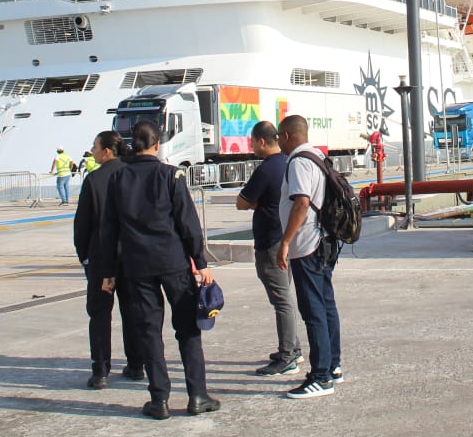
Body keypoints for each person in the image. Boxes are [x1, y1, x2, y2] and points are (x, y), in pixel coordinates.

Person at [97, 120, 220, 420]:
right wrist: (201, 263)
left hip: (137, 266)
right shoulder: (171, 175)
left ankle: (159, 399)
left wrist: (109, 270)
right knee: (187, 329)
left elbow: (109, 229)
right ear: (157, 144)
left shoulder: (118, 178)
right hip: (173, 263)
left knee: (149, 332)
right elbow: (188, 223)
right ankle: (197, 395)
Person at [276, 114, 343, 399]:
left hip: (307, 245)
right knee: (326, 305)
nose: (278, 141)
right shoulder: (318, 157)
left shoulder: (300, 162)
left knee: (313, 310)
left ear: (288, 136)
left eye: (279, 136)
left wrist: (285, 241)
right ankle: (333, 366)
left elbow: (301, 202)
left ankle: (320, 377)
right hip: (324, 241)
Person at [73, 130, 143, 389]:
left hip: (102, 258)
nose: (92, 150)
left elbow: (82, 224)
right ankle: (137, 365)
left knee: (100, 314)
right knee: (132, 311)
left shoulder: (94, 179)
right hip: (132, 256)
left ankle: (100, 370)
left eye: (95, 146)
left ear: (107, 151)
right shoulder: (133, 174)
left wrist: (85, 256)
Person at [236, 120, 302, 376]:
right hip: (284, 238)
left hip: (270, 242)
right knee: (285, 295)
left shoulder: (265, 170)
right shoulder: (288, 163)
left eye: (252, 141)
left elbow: (242, 202)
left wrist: (257, 203)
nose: (252, 146)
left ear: (261, 141)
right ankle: (292, 348)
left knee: (281, 300)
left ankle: (288, 356)